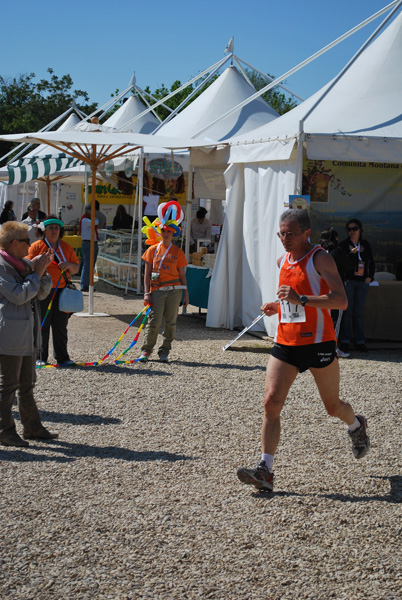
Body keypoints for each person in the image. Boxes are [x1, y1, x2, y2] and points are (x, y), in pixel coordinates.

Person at [237, 209, 370, 493]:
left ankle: (356, 425)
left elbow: (341, 301)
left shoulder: (320, 258)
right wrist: (279, 306)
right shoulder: (282, 260)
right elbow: (291, 297)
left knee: (332, 407)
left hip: (319, 342)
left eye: (291, 234)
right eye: (281, 233)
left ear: (306, 233)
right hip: (286, 342)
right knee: (271, 402)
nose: (285, 239)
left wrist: (302, 300)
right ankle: (265, 470)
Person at [0, 221, 58, 447]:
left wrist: (41, 274)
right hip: (10, 335)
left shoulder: (22, 264)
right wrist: (36, 273)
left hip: (25, 334)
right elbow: (19, 295)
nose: (30, 245)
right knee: (7, 386)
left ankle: (32, 426)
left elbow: (41, 294)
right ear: (14, 243)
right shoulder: (3, 267)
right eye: (26, 241)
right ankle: (5, 430)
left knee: (26, 383)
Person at [27, 216, 79, 366]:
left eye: (57, 227)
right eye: (51, 227)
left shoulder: (66, 247)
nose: (54, 230)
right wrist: (40, 262)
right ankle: (39, 357)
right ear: (44, 230)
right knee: (41, 325)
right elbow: (28, 266)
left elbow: (76, 268)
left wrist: (68, 264)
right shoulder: (36, 246)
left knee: (60, 326)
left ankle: (63, 358)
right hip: (43, 291)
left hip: (62, 291)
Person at [139, 224, 189, 363]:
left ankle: (164, 351)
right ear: (159, 232)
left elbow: (182, 274)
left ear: (173, 233)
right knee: (154, 321)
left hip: (174, 290)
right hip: (157, 290)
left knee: (171, 322)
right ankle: (146, 350)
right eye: (163, 231)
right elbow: (147, 274)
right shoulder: (152, 250)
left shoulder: (178, 252)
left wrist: (186, 292)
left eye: (169, 231)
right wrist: (146, 292)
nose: (166, 234)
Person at [338, 218, 375, 353]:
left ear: (360, 230)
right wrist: (350, 253)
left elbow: (371, 261)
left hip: (362, 281)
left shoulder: (365, 244)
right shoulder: (343, 245)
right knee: (347, 311)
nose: (352, 231)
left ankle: (360, 341)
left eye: (355, 229)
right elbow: (340, 263)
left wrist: (370, 276)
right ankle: (345, 341)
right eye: (349, 229)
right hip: (349, 281)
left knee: (358, 312)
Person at [319, 227, 355, 358]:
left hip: (319, 289)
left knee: (320, 317)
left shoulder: (318, 251)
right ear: (335, 238)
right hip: (335, 288)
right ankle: (333, 347)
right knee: (336, 318)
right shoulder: (336, 251)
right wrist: (350, 255)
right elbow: (349, 266)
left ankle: (318, 346)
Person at [79, 203, 99, 292]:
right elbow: (96, 221)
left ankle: (88, 283)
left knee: (90, 265)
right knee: (87, 265)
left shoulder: (87, 219)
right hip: (88, 243)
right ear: (88, 211)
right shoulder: (85, 220)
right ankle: (84, 284)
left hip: (91, 243)